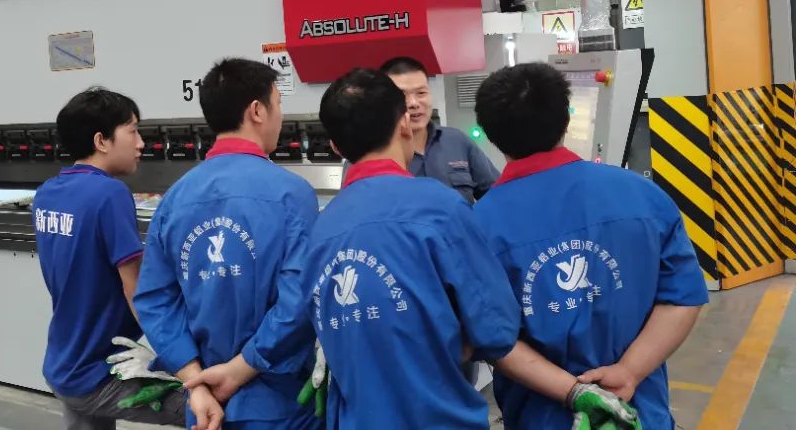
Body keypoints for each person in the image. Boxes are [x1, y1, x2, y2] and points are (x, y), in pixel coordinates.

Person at [304, 68, 640, 430]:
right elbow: (495, 330)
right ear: (403, 124)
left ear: (335, 147)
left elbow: (314, 313)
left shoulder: (320, 228)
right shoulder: (440, 208)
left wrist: (345, 342)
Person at [472, 63, 709, 430]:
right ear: (566, 119)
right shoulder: (644, 196)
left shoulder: (479, 226)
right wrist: (629, 371)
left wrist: (575, 392)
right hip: (638, 416)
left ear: (490, 134)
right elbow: (682, 297)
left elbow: (493, 338)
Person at [135, 58, 321, 430]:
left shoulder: (175, 199)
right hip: (277, 405)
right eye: (278, 104)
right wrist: (239, 370)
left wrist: (196, 382)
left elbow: (155, 300)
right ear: (257, 111)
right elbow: (299, 301)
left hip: (205, 406)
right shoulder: (292, 194)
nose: (280, 116)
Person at [33, 88, 189, 430]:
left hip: (65, 359)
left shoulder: (46, 193)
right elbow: (137, 291)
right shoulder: (109, 193)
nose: (141, 143)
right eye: (132, 131)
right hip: (97, 371)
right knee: (205, 409)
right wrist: (178, 360)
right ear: (101, 141)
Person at [376, 56, 500, 204]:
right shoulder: (374, 154)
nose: (413, 103)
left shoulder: (457, 141)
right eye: (401, 96)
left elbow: (497, 196)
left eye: (421, 93)